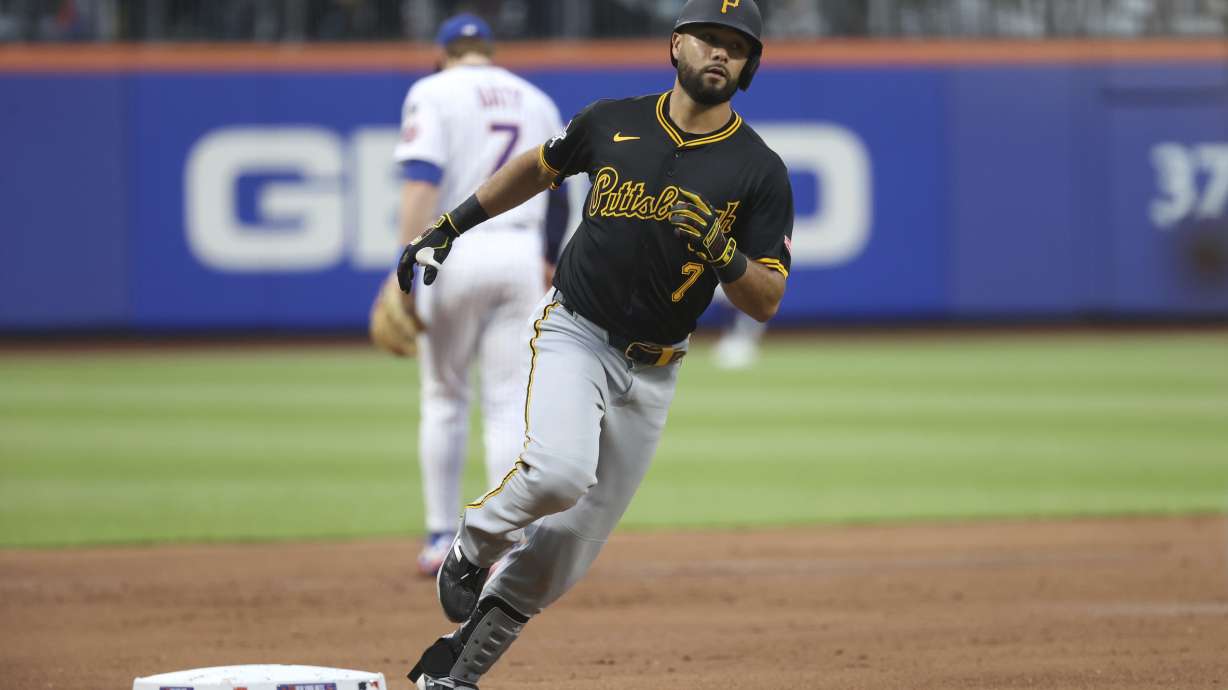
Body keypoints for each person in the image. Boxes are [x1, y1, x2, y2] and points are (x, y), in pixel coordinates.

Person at [396, 1, 791, 687]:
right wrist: (450, 224)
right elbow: (538, 168)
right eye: (709, 39)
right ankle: (472, 540)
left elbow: (765, 298)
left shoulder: (759, 170)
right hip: (576, 330)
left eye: (737, 45)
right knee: (557, 472)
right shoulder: (613, 121)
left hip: (658, 370)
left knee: (567, 551)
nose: (721, 54)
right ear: (676, 46)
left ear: (751, 64)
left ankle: (455, 673)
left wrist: (725, 252)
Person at [369, 12, 570, 577]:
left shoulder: (432, 90)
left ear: (442, 55)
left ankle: (439, 540)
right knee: (508, 401)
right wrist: (548, 256)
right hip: (521, 254)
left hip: (452, 249)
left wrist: (402, 265)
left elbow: (421, 180)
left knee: (445, 396)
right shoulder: (534, 98)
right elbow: (559, 190)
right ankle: (504, 538)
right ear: (489, 50)